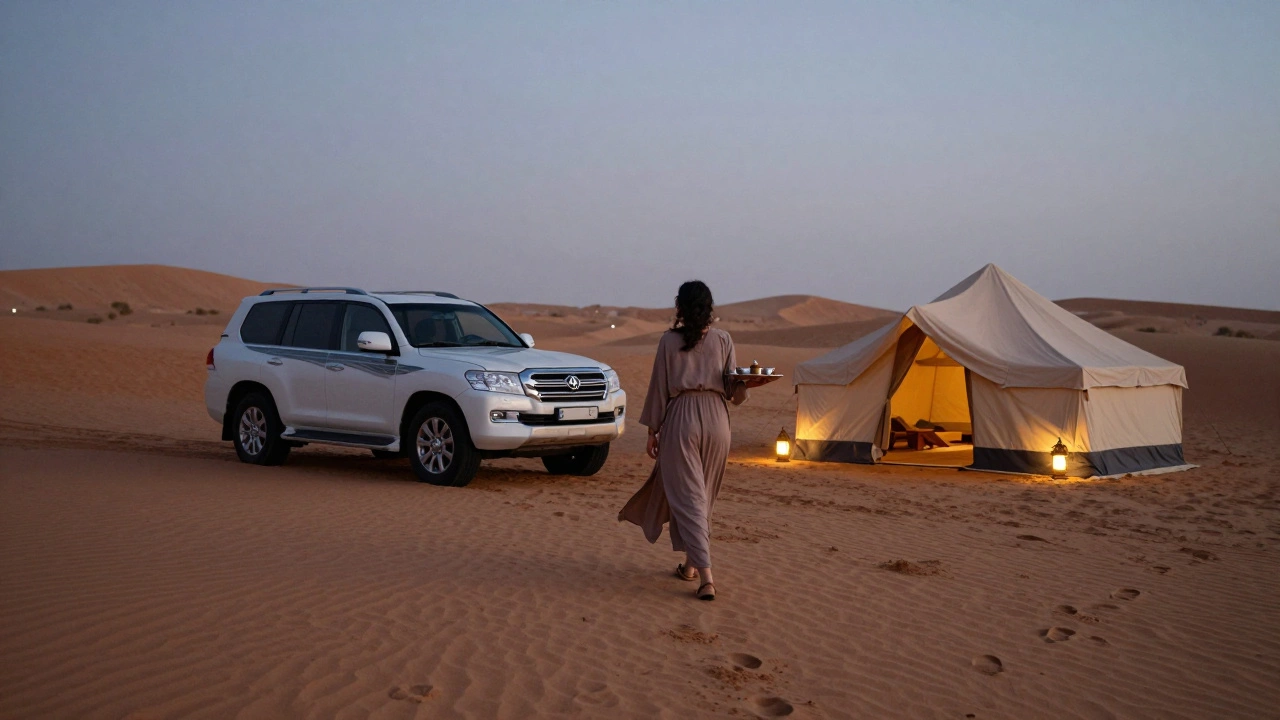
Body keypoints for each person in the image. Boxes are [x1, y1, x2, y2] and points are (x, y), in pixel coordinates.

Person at [618, 280, 749, 601]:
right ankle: (690, 567)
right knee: (702, 496)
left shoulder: (668, 341)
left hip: (682, 419)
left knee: (691, 497)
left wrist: (652, 431)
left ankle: (706, 576)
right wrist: (747, 382)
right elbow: (736, 396)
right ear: (708, 306)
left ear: (681, 306)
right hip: (718, 422)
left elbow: (659, 388)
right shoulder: (724, 339)